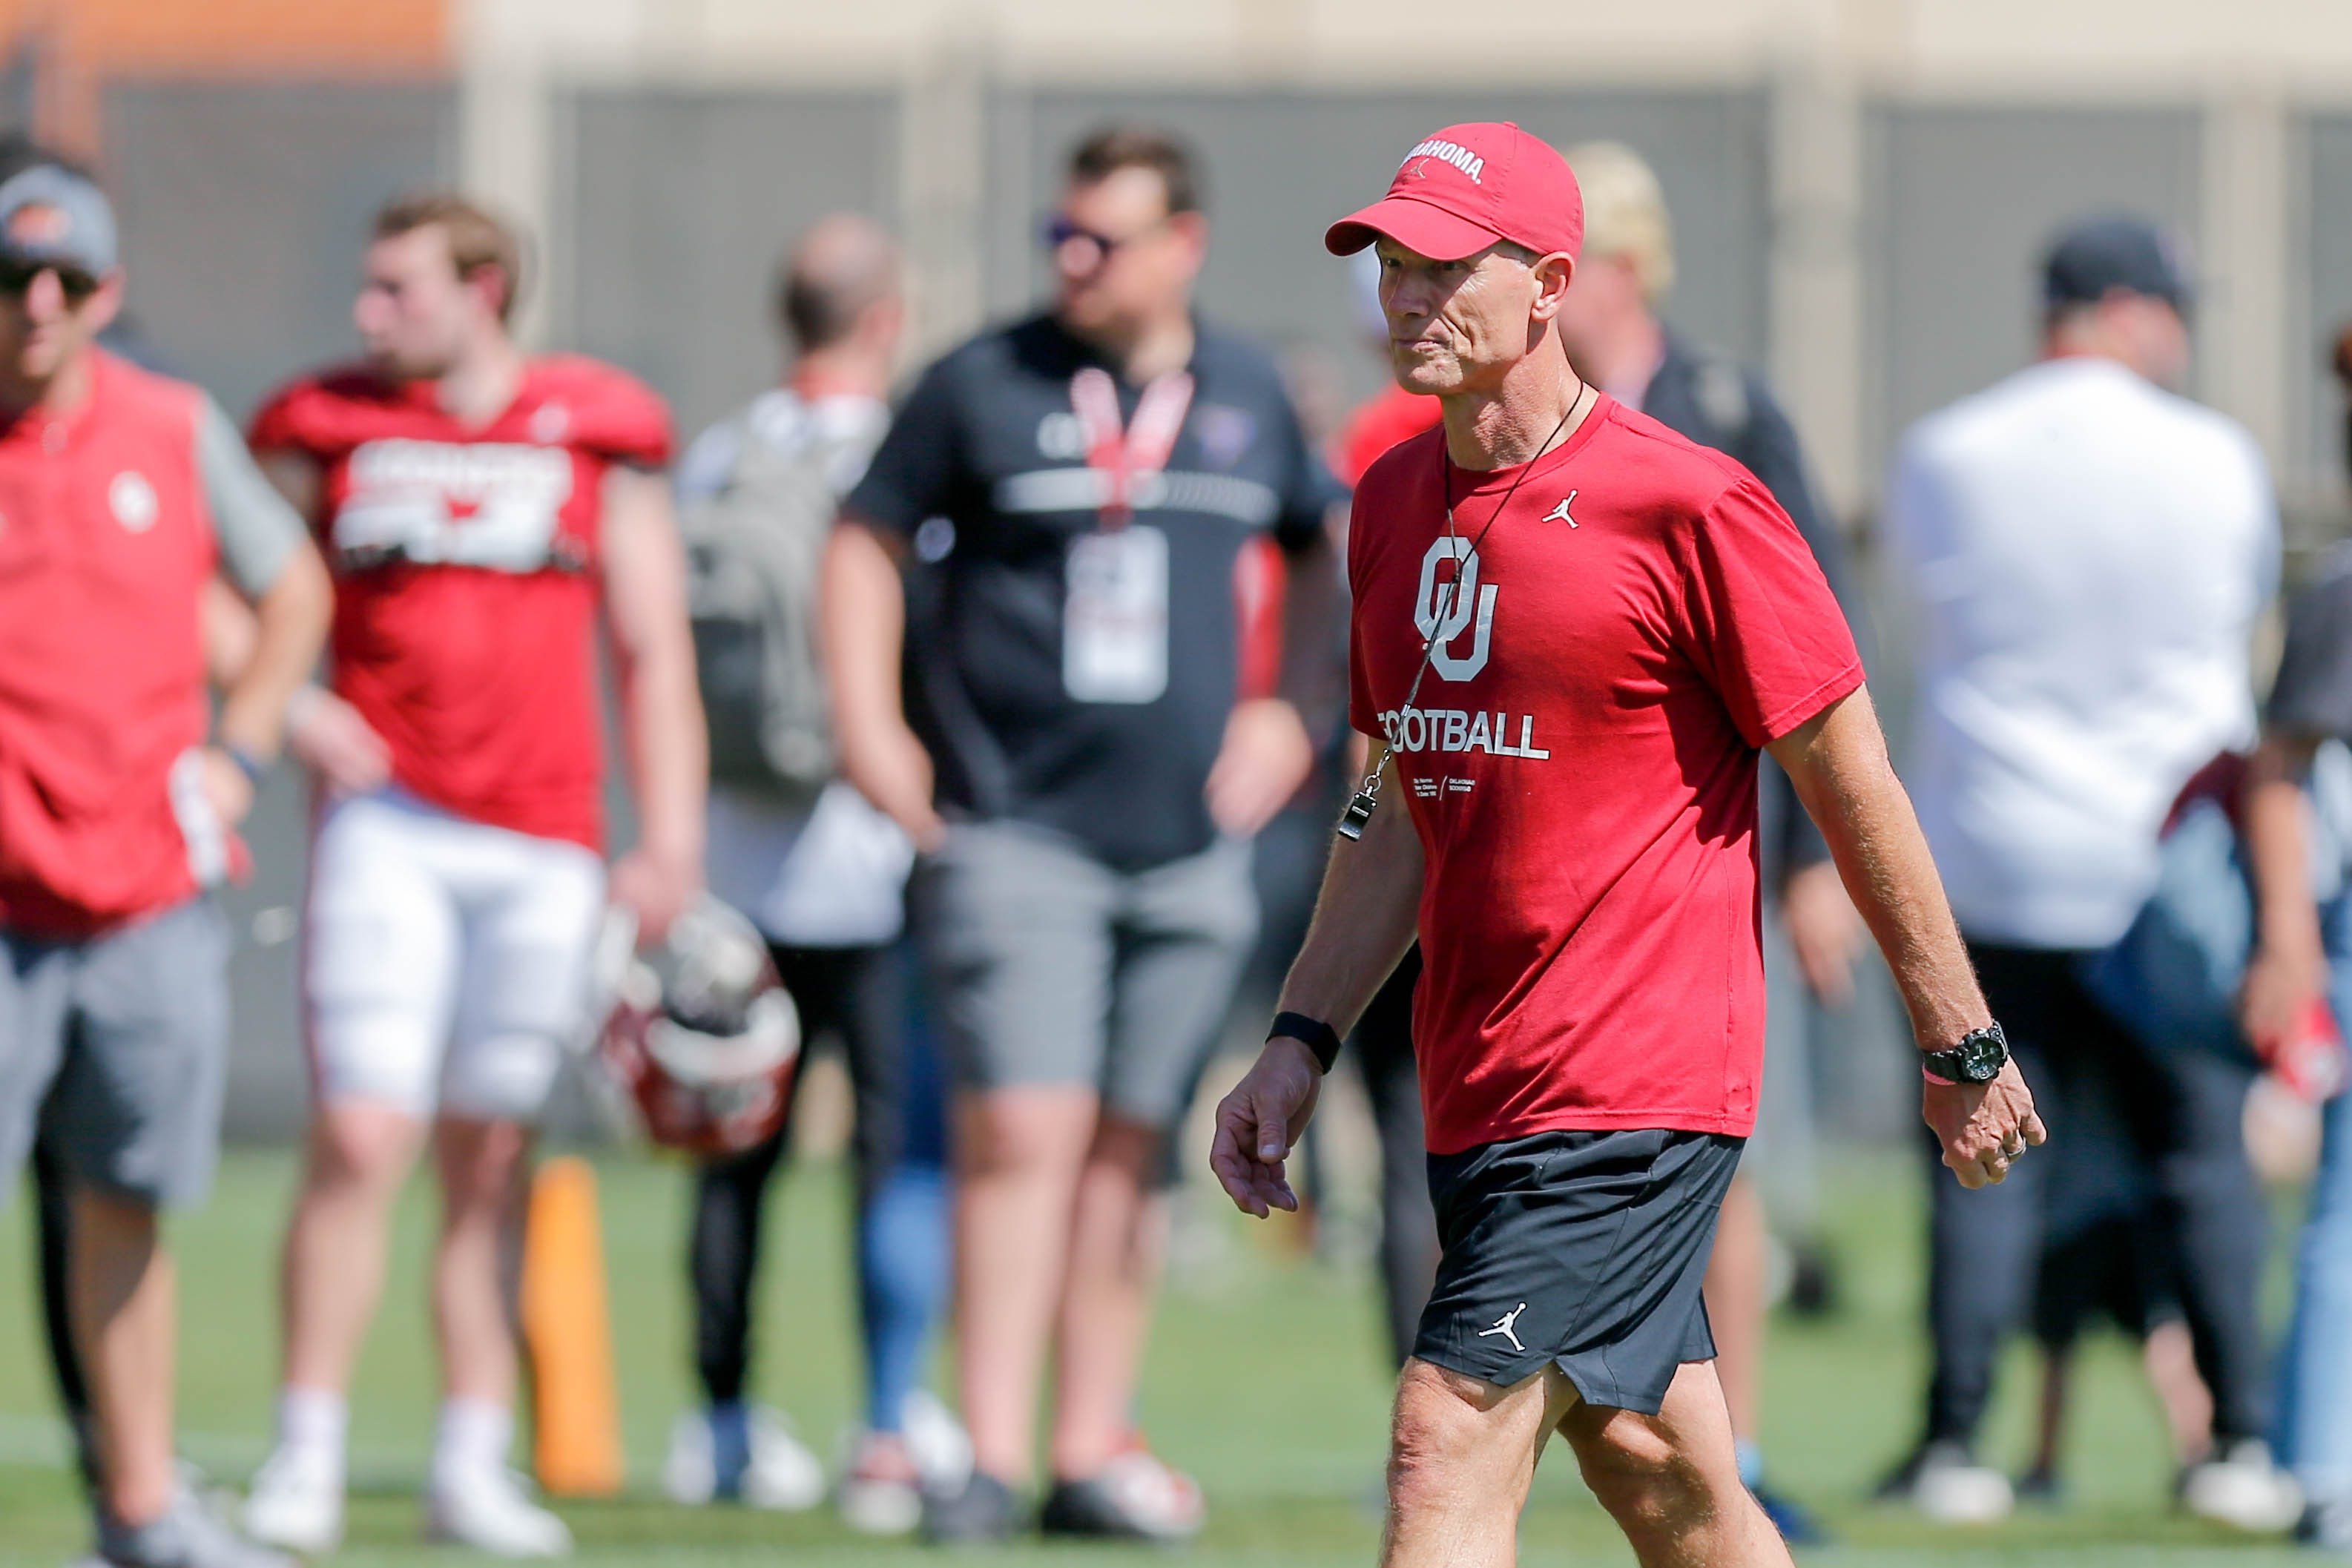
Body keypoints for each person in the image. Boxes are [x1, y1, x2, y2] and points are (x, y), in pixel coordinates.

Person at [1212, 119, 2044, 1568]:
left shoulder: (1690, 501)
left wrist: (1956, 1041)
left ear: (1546, 282)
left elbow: (1852, 783)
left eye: (1439, 266)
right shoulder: (1393, 504)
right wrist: (1299, 1035)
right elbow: (1402, 790)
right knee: (1661, 1476)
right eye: (1386, 265)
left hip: (1632, 1079)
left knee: (1441, 1438)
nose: (1402, 297)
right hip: (1479, 1073)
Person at [824, 125, 1339, 1541]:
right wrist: (872, 736)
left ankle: (1087, 1446)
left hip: (1188, 847)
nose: (1071, 258)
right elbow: (862, 540)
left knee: (1129, 1149)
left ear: (1185, 243)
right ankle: (982, 1454)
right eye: (1062, 233)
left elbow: (1316, 548)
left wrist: (1292, 713)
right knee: (1022, 1134)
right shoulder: (979, 382)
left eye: (1101, 237)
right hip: (1015, 830)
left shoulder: (1244, 390)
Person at [237, 192, 705, 1557]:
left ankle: (469, 1454)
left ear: (484, 286)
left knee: (491, 1152)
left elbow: (651, 641)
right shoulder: (318, 422)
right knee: (361, 1136)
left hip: (544, 835)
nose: (368, 315)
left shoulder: (593, 422)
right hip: (389, 823)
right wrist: (279, 703)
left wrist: (665, 832)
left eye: (397, 289)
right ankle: (305, 1445)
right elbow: (224, 580)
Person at [1877, 215, 2291, 1526]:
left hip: (1993, 857)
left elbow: (1917, 627)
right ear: (2122, 308)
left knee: (1980, 1148)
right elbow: (2235, 627)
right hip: (2166, 870)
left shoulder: (1947, 448)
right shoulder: (2215, 455)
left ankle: (1954, 1443)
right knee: (2200, 1160)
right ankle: (2238, 1441)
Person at [0, 155, 332, 1568]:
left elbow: (294, 587)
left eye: (67, 278)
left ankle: (139, 1515)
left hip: (143, 899)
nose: (38, 304)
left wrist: (239, 751)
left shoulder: (171, 427)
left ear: (107, 290)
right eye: (14, 279)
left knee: (124, 1203)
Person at [1551, 138, 1867, 1540]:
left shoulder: (1723, 409)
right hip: (1562, 859)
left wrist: (1812, 864)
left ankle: (1737, 1440)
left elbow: (1815, 661)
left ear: (1611, 266)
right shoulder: (1513, 422)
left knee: (1714, 1155)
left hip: (1711, 853)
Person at [661, 214, 968, 1531]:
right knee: (899, 1152)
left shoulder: (724, 451)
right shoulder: (908, 453)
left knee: (736, 1159)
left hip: (741, 863)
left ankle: (721, 1423)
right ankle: (891, 1420)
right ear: (884, 318)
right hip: (885, 856)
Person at [2236, 323, 2352, 1553]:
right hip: (2349, 917)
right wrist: (2291, 939)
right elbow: (2281, 767)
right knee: (2346, 1205)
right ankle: (2321, 1460)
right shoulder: (2345, 593)